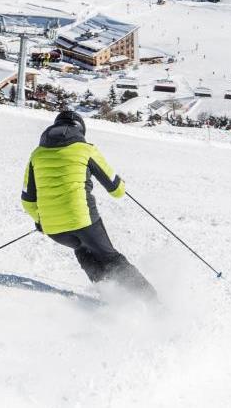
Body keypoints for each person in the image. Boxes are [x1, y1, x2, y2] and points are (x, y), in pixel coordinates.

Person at [21, 111, 155, 298]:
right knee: (110, 258)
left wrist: (40, 221)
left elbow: (27, 201)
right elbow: (116, 190)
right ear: (81, 130)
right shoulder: (86, 149)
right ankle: (153, 304)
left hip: (54, 229)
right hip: (82, 219)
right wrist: (120, 183)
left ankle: (112, 297)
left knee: (82, 250)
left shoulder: (36, 154)